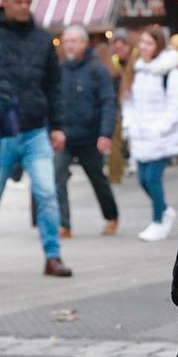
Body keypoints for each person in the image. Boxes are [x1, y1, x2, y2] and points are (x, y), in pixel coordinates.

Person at [0, 0, 72, 276]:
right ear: (4, 0)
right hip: (2, 131)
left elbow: (54, 86)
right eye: (17, 1)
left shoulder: (43, 39)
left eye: (27, 1)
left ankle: (52, 256)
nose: (23, 6)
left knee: (47, 193)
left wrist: (58, 126)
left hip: (35, 130)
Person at [120, 26, 178, 242]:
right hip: (140, 135)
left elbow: (176, 106)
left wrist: (159, 128)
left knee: (152, 178)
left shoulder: (170, 73)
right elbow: (128, 100)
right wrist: (130, 125)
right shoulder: (136, 70)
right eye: (142, 43)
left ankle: (159, 220)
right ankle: (164, 210)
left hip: (160, 136)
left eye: (149, 43)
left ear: (158, 46)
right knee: (142, 179)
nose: (144, 47)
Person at [54, 25, 119, 237]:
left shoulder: (96, 70)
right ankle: (64, 224)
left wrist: (105, 133)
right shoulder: (60, 70)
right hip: (64, 137)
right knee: (57, 177)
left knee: (98, 179)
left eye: (73, 41)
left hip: (90, 137)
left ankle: (111, 216)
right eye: (66, 41)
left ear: (84, 43)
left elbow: (109, 102)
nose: (69, 45)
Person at [107, 28, 135, 183]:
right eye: (116, 47)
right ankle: (115, 175)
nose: (120, 50)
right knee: (116, 141)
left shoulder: (136, 62)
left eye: (122, 46)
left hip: (134, 106)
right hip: (117, 105)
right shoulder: (113, 63)